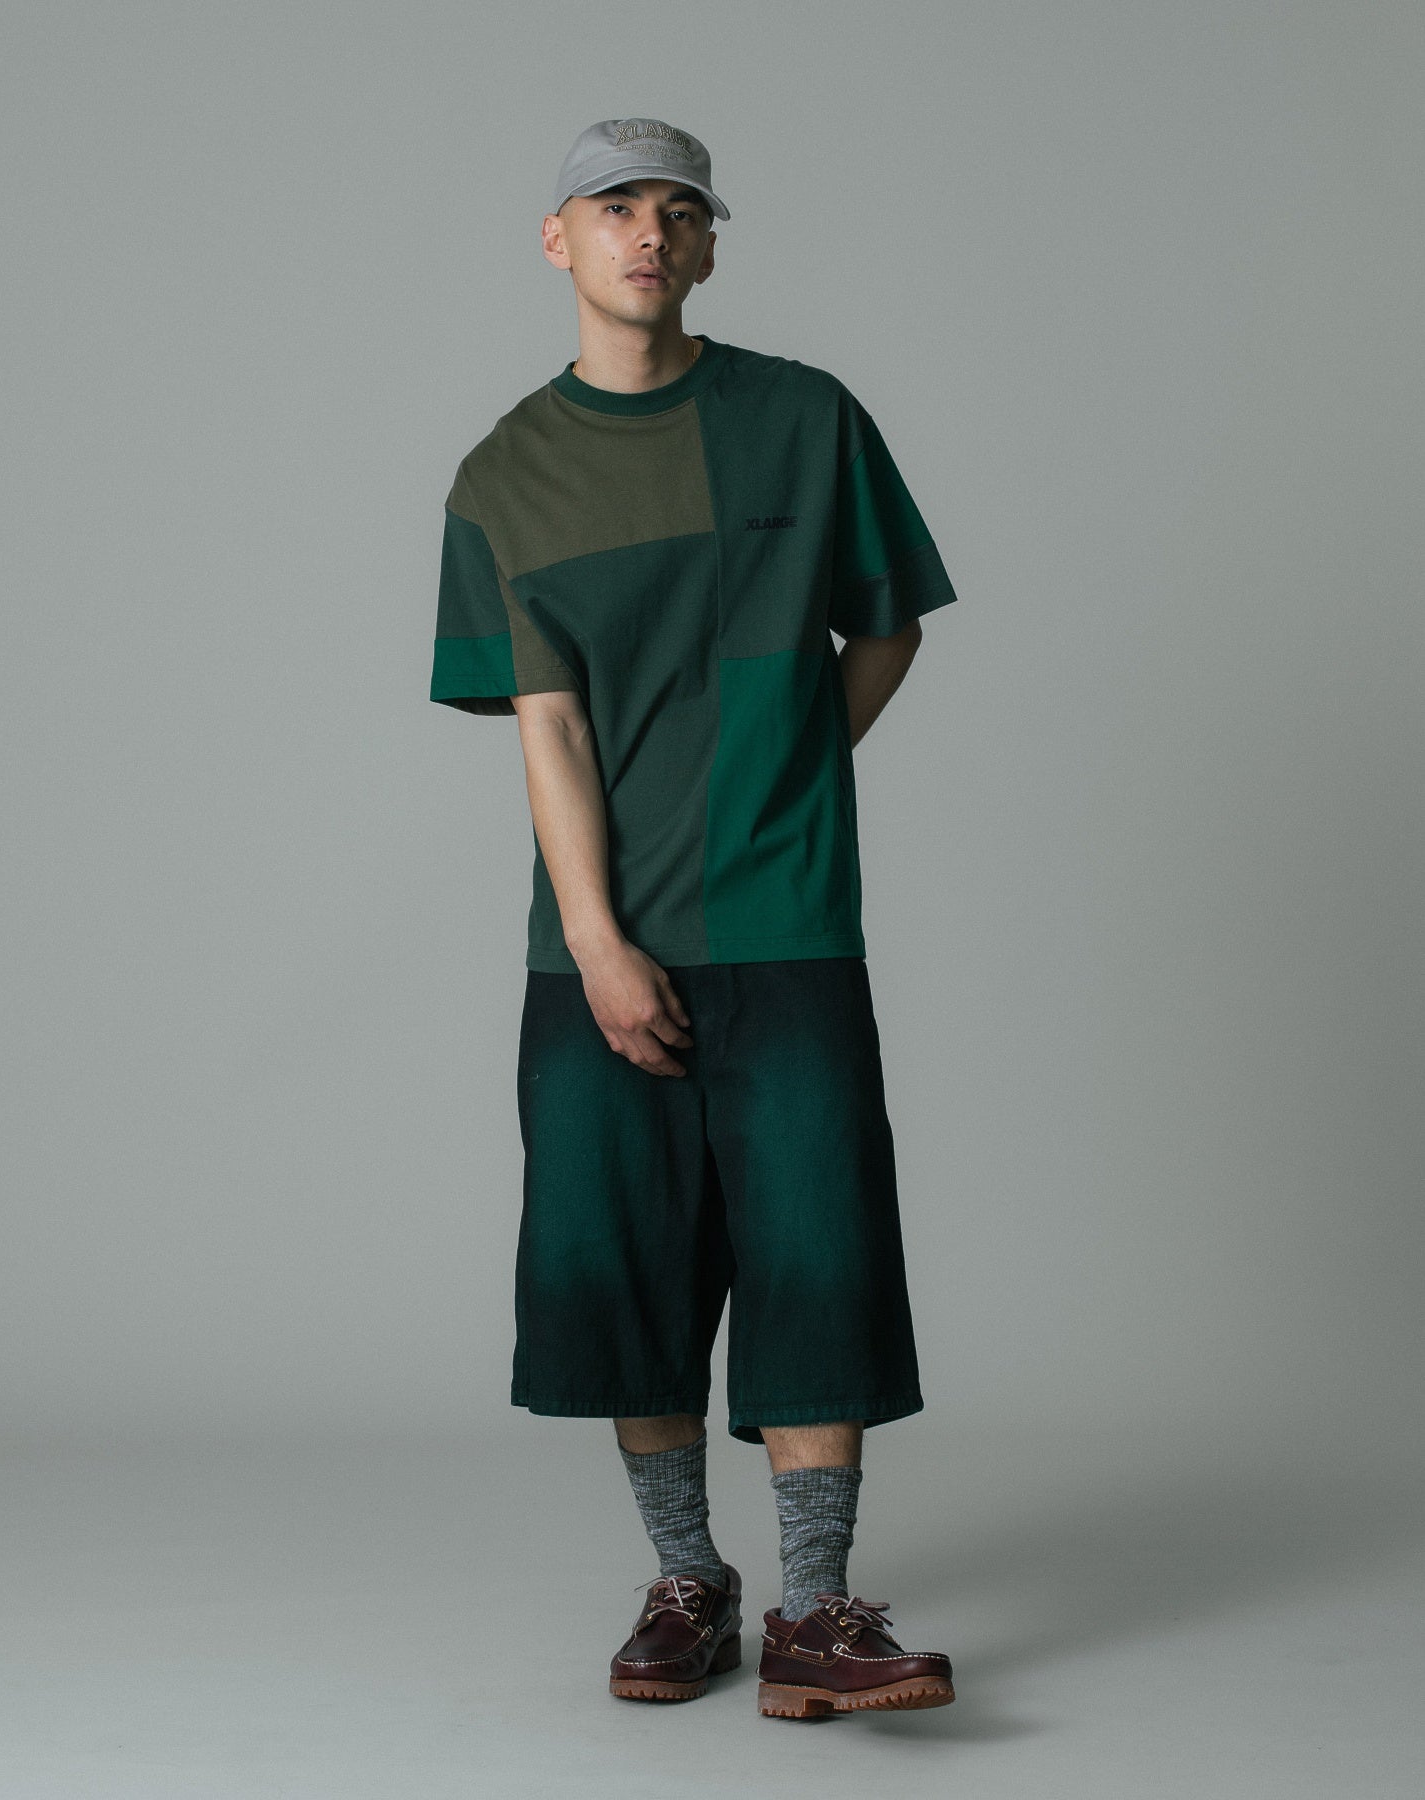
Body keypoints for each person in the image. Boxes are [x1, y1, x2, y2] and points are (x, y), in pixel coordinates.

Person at [429, 117, 959, 1719]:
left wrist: (786, 781)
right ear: (558, 240)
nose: (648, 233)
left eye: (680, 210)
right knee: (621, 1262)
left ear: (712, 244)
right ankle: (687, 1578)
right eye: (615, 207)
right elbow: (549, 728)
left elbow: (886, 629)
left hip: (787, 923)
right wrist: (598, 940)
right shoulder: (505, 475)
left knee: (818, 1245)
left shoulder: (805, 420)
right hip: (599, 943)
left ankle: (815, 1609)